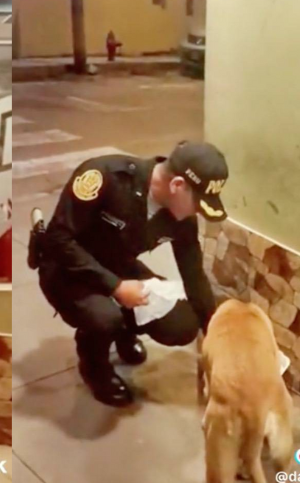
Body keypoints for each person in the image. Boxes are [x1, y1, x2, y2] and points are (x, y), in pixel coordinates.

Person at [31, 141, 229, 407]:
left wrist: (218, 337)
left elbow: (194, 276)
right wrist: (115, 287)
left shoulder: (181, 217)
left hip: (118, 265)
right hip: (65, 268)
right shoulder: (105, 177)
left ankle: (123, 331)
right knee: (104, 319)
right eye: (198, 203)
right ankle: (94, 365)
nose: (198, 212)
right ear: (177, 185)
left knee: (182, 324)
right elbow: (58, 239)